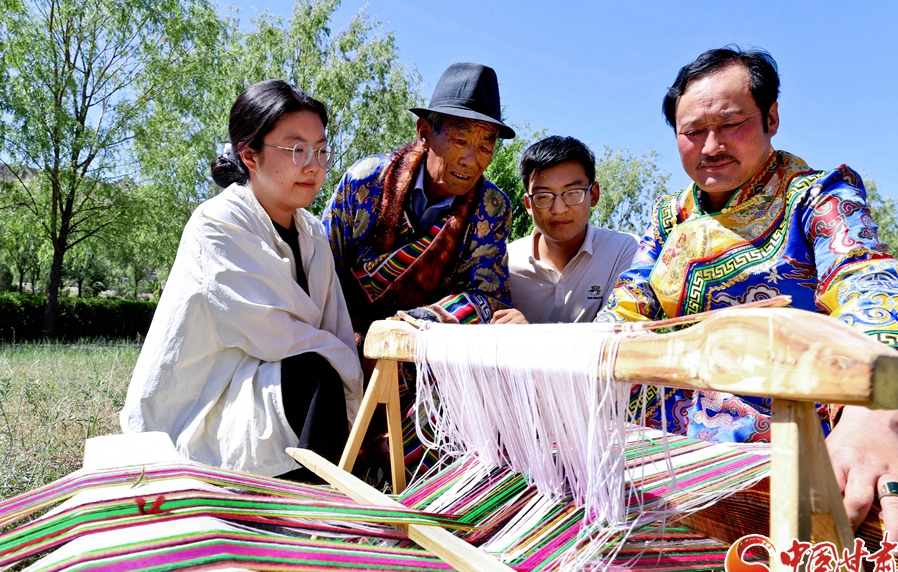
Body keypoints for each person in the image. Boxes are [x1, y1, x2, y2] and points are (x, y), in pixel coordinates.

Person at [595, 47, 898, 545]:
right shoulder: (670, 217)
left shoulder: (817, 199)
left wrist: (873, 412)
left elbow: (870, 282)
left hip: (794, 439)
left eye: (731, 123)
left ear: (771, 118)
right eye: (693, 131)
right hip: (673, 446)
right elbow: (630, 301)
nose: (711, 146)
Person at [120, 80, 362, 479]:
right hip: (204, 410)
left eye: (321, 150)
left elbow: (333, 326)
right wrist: (347, 365)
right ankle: (299, 503)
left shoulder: (314, 235)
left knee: (320, 369)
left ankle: (313, 498)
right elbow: (277, 335)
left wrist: (349, 382)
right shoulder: (217, 224)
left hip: (269, 398)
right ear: (249, 154)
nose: (314, 165)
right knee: (315, 371)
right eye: (297, 149)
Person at [323, 62, 514, 336]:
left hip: (427, 345)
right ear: (424, 133)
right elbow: (323, 265)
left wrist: (417, 323)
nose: (471, 161)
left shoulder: (492, 207)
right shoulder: (366, 180)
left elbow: (487, 295)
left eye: (485, 146)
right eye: (460, 140)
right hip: (339, 335)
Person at [492, 136, 640, 324]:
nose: (559, 209)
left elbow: (619, 332)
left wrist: (530, 334)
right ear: (528, 204)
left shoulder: (624, 250)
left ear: (594, 195)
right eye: (543, 196)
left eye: (573, 193)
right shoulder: (503, 263)